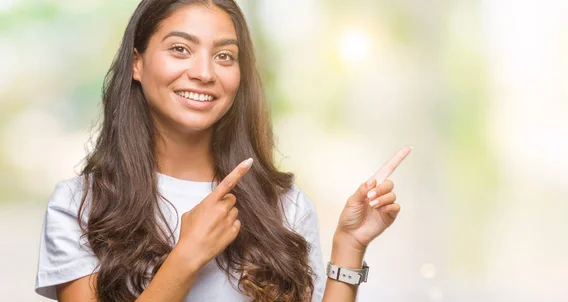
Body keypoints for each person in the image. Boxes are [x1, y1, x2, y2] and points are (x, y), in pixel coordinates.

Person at [34, 0, 412, 301]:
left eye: (224, 56)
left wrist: (350, 244)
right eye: (180, 49)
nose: (204, 72)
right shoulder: (79, 205)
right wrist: (186, 257)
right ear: (137, 63)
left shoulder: (285, 208)